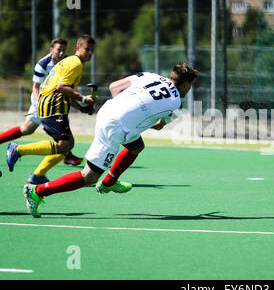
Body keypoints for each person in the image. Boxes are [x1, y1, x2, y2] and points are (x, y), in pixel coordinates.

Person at [22, 62, 199, 218]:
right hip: (115, 127)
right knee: (89, 176)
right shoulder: (177, 105)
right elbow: (159, 125)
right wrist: (133, 119)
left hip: (108, 110)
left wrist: (127, 110)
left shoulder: (150, 76)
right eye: (190, 86)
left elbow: (114, 87)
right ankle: (37, 192)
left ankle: (109, 182)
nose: (189, 90)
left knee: (136, 146)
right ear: (184, 84)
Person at [6, 35, 97, 185]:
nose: (90, 53)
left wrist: (81, 108)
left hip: (51, 103)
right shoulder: (75, 64)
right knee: (63, 145)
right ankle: (18, 150)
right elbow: (61, 87)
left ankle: (38, 175)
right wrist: (82, 98)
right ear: (78, 48)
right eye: (87, 49)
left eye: (92, 50)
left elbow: (65, 91)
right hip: (53, 105)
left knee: (69, 144)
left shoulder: (68, 61)